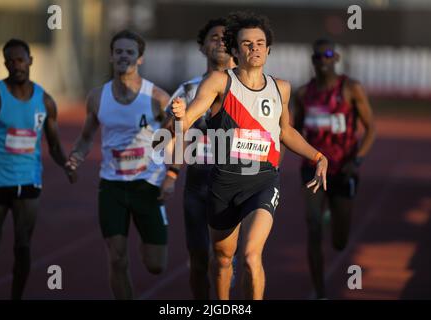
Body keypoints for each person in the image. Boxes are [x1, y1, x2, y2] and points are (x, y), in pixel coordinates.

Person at [171, 12, 328, 300]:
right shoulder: (219, 82)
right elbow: (190, 117)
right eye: (246, 44)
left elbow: (286, 131)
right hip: (223, 184)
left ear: (268, 49)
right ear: (234, 50)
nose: (254, 48)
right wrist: (180, 117)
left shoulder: (281, 88)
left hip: (262, 182)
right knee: (221, 260)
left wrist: (318, 156)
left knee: (251, 256)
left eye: (259, 43)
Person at [65, 30, 171, 300]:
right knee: (117, 259)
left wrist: (170, 172)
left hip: (148, 186)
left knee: (156, 265)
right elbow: (87, 137)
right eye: (119, 52)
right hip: (112, 186)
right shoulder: (97, 97)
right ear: (111, 56)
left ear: (140, 58)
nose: (124, 56)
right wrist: (76, 155)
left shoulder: (157, 98)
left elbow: (176, 136)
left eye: (130, 52)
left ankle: (145, 237)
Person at [0, 39, 75, 299]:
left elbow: (54, 144)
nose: (16, 65)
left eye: (20, 60)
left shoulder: (45, 101)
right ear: (5, 64)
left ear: (30, 60)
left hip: (28, 180)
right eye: (10, 61)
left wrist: (66, 164)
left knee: (22, 245)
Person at [294, 38, 376, 299]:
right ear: (313, 62)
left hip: (343, 169)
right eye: (317, 57)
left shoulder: (351, 89)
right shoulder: (303, 94)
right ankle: (320, 292)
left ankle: (332, 215)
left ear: (337, 58)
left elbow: (371, 128)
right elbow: (295, 132)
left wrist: (358, 159)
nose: (323, 61)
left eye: (327, 55)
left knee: (340, 243)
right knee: (313, 224)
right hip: (314, 168)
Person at [160, 17, 236, 299]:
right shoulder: (187, 89)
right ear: (202, 48)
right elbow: (168, 136)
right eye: (213, 37)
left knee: (226, 258)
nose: (219, 42)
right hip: (197, 183)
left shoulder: (246, 90)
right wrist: (171, 173)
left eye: (226, 38)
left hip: (235, 181)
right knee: (199, 260)